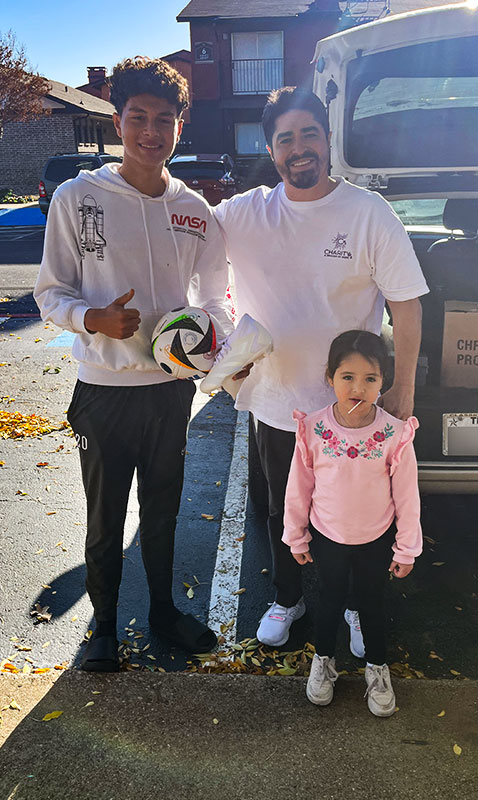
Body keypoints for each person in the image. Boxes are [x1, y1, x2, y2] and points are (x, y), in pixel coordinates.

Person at [34, 56, 232, 671]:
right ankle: (102, 627)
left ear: (181, 124)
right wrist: (92, 319)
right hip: (104, 390)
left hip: (170, 393)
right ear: (119, 121)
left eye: (165, 119)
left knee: (164, 511)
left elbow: (217, 298)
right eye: (139, 118)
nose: (152, 131)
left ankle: (164, 613)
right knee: (105, 514)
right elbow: (50, 293)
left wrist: (203, 338)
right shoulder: (79, 197)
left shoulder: (195, 209)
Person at [213, 86, 429, 649]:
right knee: (285, 513)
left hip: (353, 410)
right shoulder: (244, 214)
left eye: (310, 133)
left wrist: (402, 391)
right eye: (286, 138)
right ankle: (288, 599)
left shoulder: (367, 212)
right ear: (271, 148)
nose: (299, 147)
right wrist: (219, 357)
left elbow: (406, 304)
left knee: (357, 518)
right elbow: (181, 238)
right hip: (277, 403)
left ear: (327, 140)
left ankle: (357, 607)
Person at [283, 330, 422, 716]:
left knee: (370, 603)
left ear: (383, 381)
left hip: (375, 540)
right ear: (330, 377)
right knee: (328, 601)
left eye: (370, 379)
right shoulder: (312, 429)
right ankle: (324, 662)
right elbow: (299, 488)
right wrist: (296, 537)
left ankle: (377, 669)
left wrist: (407, 547)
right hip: (328, 537)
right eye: (347, 377)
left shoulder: (394, 434)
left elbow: (407, 497)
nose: (358, 387)